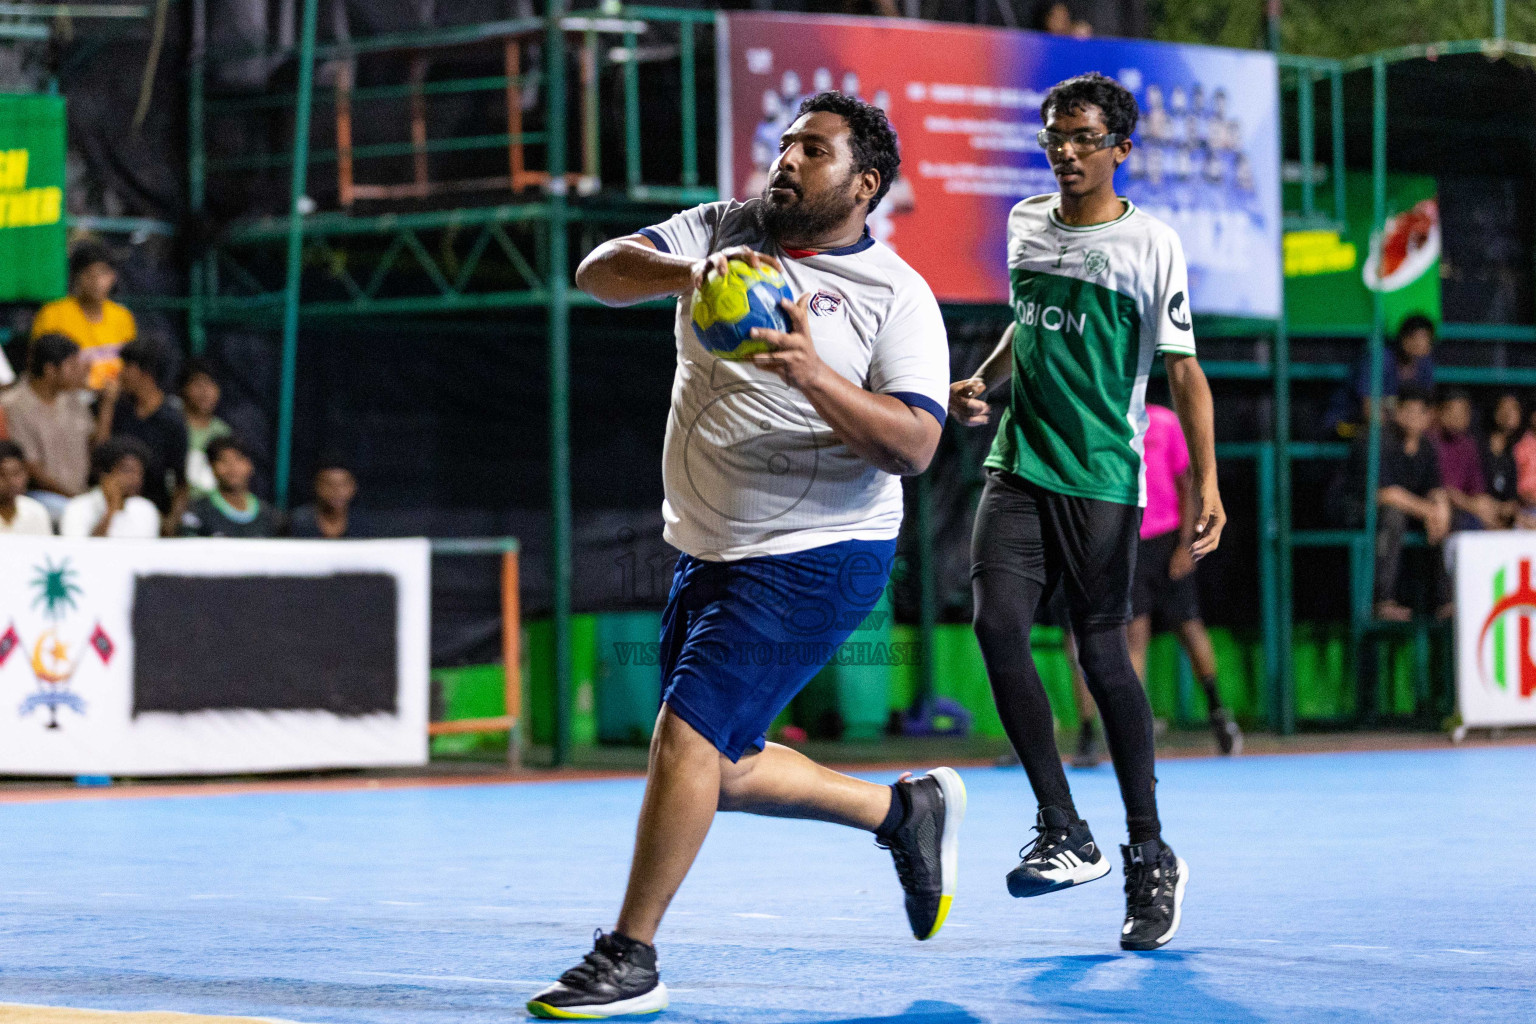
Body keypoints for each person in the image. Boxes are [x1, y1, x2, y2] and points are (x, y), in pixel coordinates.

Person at [529, 91, 956, 1020]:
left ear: (864, 184)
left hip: (817, 554)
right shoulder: (725, 229)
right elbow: (597, 270)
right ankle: (903, 814)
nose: (788, 160)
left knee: (682, 741)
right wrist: (688, 273)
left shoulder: (898, 297)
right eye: (787, 143)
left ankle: (630, 954)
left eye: (814, 150)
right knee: (718, 766)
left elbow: (916, 446)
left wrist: (811, 371)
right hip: (707, 545)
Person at [950, 72, 1221, 950]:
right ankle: (1063, 825)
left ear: (1119, 149)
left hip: (1104, 477)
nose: (1065, 151)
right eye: (1054, 137)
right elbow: (1024, 324)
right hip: (1019, 464)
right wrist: (986, 380)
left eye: (1082, 137)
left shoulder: (1152, 245)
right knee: (996, 628)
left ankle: (1149, 854)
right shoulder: (1025, 222)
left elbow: (1183, 372)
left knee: (1102, 654)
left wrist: (1207, 484)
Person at [1127, 404, 1241, 755]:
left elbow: (1186, 480)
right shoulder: (1109, 416)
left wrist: (1185, 543)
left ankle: (1218, 711)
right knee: (1134, 636)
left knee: (1190, 627)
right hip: (1130, 543)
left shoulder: (1164, 420)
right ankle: (1136, 726)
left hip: (1168, 540)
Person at [1330, 386, 1452, 621]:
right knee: (1393, 515)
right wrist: (1430, 511)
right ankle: (1382, 600)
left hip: (1403, 511)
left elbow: (1435, 488)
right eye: (1407, 410)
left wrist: (1441, 509)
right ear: (1397, 411)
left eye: (1420, 412)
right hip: (1354, 508)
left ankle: (1445, 601)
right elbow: (1385, 493)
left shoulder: (1426, 447)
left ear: (1428, 417)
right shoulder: (1374, 440)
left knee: (1449, 519)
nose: (1413, 417)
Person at [0, 333, 93, 521]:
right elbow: (30, 466)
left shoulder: (74, 399)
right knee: (70, 514)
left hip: (81, 494)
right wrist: (73, 498)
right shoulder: (14, 405)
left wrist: (107, 407)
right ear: (50, 369)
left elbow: (95, 444)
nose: (79, 371)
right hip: (39, 496)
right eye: (72, 366)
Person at [96, 337, 187, 528]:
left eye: (126, 367)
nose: (120, 374)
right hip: (110, 505)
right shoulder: (118, 409)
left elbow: (181, 481)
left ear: (145, 373)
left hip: (154, 510)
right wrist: (107, 407)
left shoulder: (172, 421)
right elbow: (100, 457)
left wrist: (171, 521)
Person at [31, 242, 137, 392]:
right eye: (88, 273)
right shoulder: (52, 314)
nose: (96, 281)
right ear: (76, 277)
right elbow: (40, 372)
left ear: (113, 276)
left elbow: (131, 367)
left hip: (115, 398)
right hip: (68, 398)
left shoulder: (123, 316)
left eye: (102, 273)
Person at [1324, 314, 1436, 438]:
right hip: (1350, 422)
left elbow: (1427, 407)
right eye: (1414, 338)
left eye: (1424, 339)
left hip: (1396, 429)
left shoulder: (1425, 364)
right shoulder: (1379, 359)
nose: (1418, 344)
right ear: (1402, 337)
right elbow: (1369, 411)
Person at [59, 437, 161, 539]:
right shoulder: (78, 508)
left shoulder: (146, 509)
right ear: (104, 474)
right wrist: (111, 511)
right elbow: (80, 552)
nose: (135, 479)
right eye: (127, 471)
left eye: (139, 473)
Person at [180, 437, 281, 538]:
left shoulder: (270, 516)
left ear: (250, 465)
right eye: (223, 460)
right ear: (211, 467)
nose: (232, 467)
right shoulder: (197, 512)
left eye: (238, 459)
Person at [1432, 388, 1504, 530]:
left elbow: (1476, 487)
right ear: (1439, 412)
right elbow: (1438, 489)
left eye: (1463, 412)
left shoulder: (1468, 445)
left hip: (1465, 505)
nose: (1457, 417)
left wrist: (1483, 503)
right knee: (1470, 521)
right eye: (1452, 411)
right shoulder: (1430, 442)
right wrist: (1469, 504)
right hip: (1438, 505)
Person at [180, 358, 232, 498]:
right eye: (198, 385)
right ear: (184, 388)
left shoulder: (222, 432)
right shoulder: (173, 424)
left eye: (211, 385)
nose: (205, 392)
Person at [288, 459, 361, 539]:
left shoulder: (365, 525)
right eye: (329, 484)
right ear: (316, 486)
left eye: (343, 484)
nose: (336, 491)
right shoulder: (299, 522)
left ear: (353, 487)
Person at [0, 440, 52, 535]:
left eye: (16, 473)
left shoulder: (36, 511)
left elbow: (45, 548)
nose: (11, 481)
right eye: (2, 474)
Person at [1481, 392, 1522, 511]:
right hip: (1482, 511)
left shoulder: (1512, 451)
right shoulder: (1479, 448)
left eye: (1514, 409)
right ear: (1495, 413)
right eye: (1505, 408)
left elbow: (1511, 496)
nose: (1510, 414)